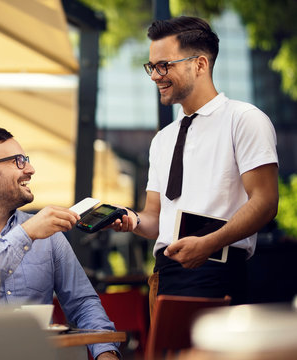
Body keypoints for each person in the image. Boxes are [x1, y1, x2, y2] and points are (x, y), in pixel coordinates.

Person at [110, 16, 278, 312]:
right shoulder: (162, 140)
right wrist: (130, 220)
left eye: (164, 65)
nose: (154, 76)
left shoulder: (244, 119)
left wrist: (209, 243)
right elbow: (154, 217)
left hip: (218, 269)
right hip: (164, 276)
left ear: (199, 64)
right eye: (151, 67)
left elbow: (265, 202)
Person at [0, 128, 121, 360]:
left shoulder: (48, 234)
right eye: (19, 161)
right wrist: (26, 234)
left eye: (26, 160)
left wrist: (106, 353)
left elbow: (82, 302)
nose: (30, 169)